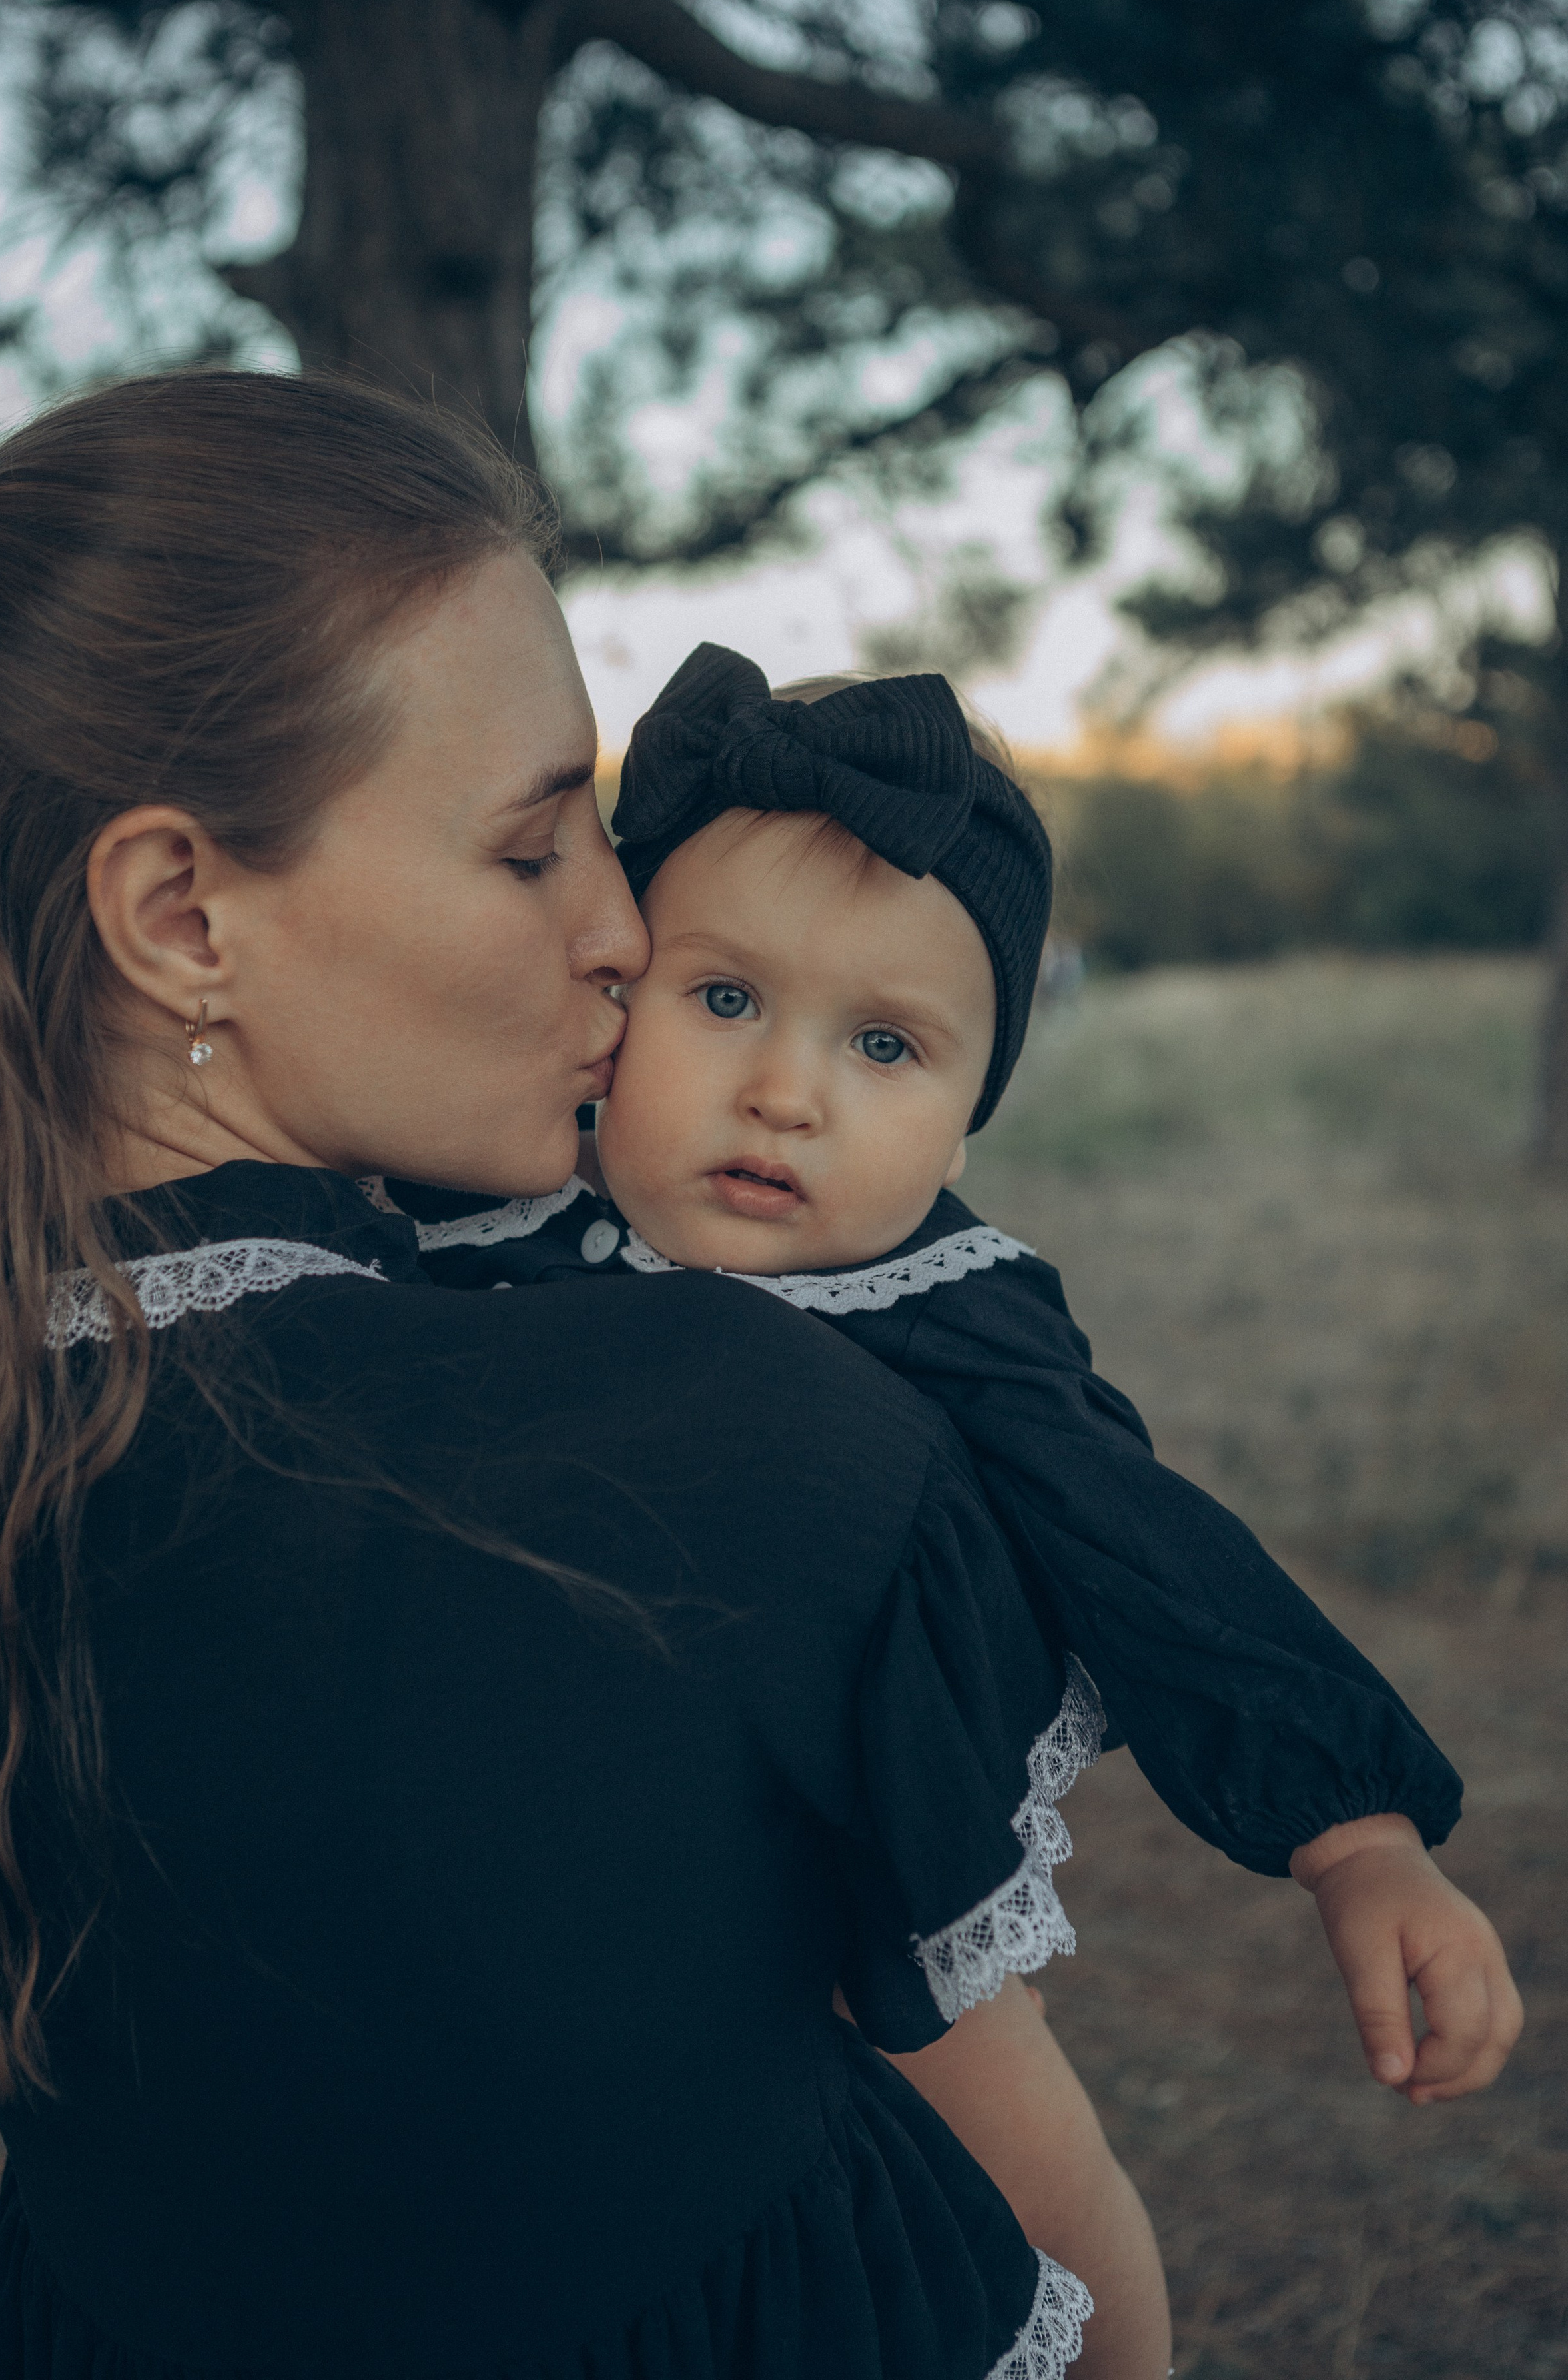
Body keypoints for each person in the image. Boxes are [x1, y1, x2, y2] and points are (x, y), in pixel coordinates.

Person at [0, 374, 1134, 2380]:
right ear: (183, 918)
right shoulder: (741, 1445)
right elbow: (1042, 2216)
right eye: (537, 848)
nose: (629, 931)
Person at [379, 643, 1524, 2377]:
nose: (790, 1091)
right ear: (612, 993)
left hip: (863, 1866)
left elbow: (1152, 1552)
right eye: (726, 1000)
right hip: (582, 1901)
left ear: (972, 1103)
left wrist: (1353, 1835)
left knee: (1016, 2166)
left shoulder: (948, 1305)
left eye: (888, 1045)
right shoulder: (480, 1237)